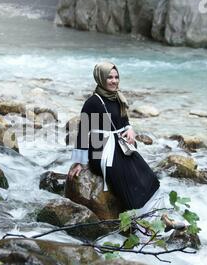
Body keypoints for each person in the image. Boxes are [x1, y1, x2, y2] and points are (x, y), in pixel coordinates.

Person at [68, 62, 164, 217]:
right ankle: (140, 220)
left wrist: (130, 129)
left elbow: (124, 121)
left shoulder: (117, 97)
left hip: (120, 145)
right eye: (109, 77)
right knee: (128, 178)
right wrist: (79, 162)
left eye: (116, 77)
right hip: (101, 150)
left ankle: (160, 217)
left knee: (147, 175)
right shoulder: (93, 102)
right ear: (100, 79)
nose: (114, 81)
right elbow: (84, 131)